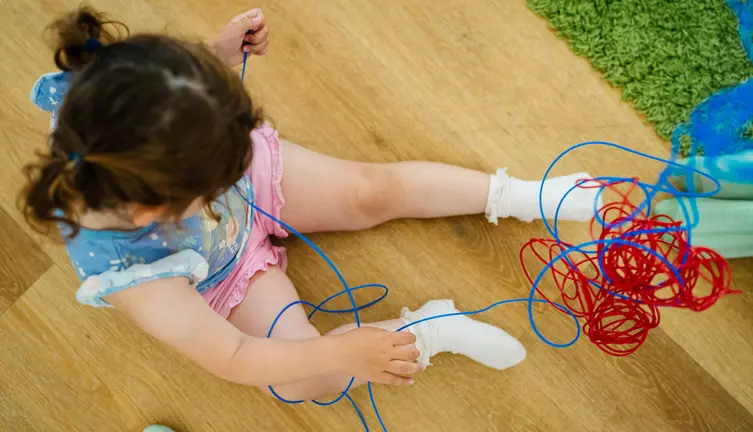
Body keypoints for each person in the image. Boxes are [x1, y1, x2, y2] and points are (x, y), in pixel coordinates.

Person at [23, 6, 600, 401]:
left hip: (238, 191)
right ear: (158, 210)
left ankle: (530, 196)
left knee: (371, 190)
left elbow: (162, 79)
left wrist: (215, 56)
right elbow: (235, 357)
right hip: (219, 271)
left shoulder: (111, 102)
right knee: (304, 379)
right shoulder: (136, 279)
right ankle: (429, 329)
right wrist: (349, 353)